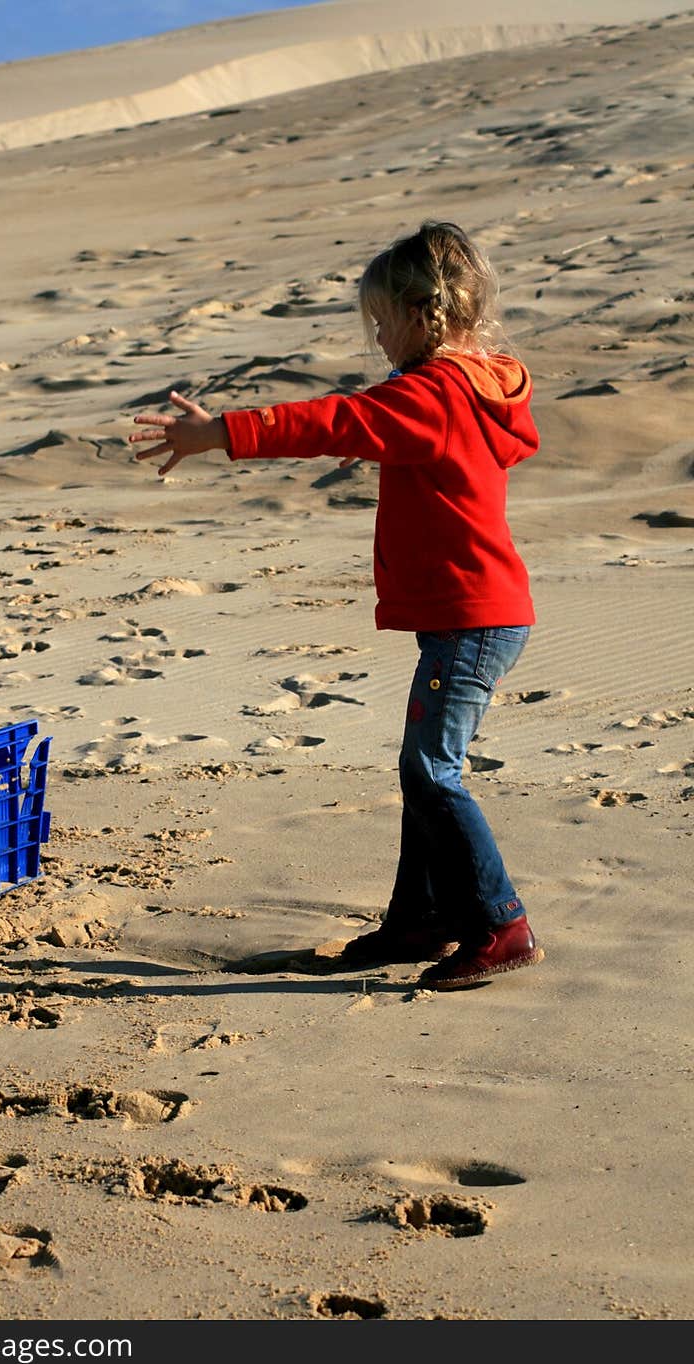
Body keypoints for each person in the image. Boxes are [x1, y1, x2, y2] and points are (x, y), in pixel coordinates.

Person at [129, 220, 544, 990]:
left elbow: (333, 424)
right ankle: (419, 919)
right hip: (478, 611)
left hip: (473, 618)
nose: (379, 338)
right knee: (423, 769)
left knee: (431, 773)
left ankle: (501, 923)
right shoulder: (484, 385)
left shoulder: (433, 395)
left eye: (382, 323)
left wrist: (219, 432)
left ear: (424, 317)